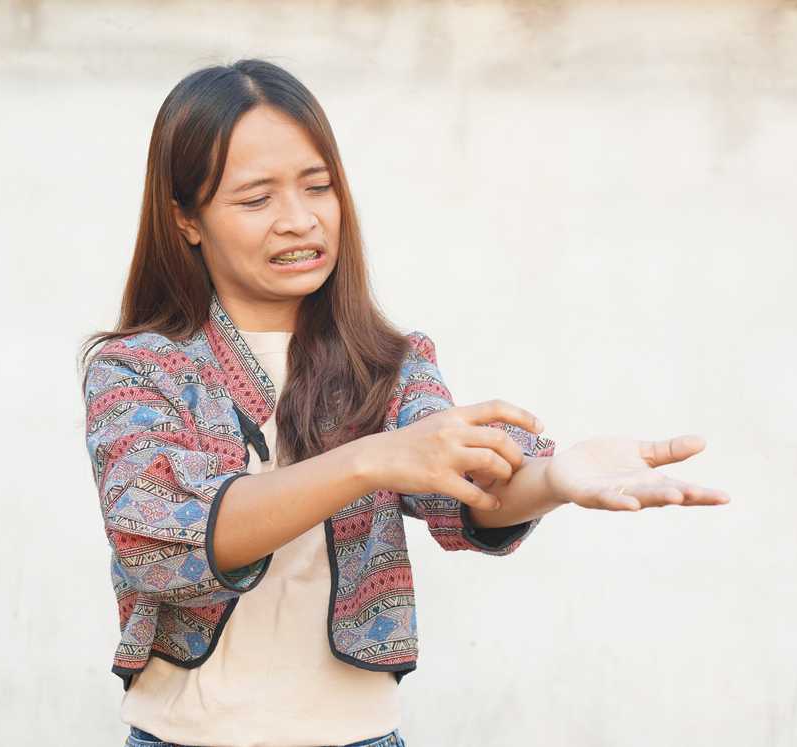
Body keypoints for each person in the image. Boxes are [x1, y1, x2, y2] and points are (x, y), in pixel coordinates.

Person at [79, 59, 730, 747]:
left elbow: (467, 486)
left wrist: (552, 478)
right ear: (186, 218)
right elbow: (162, 535)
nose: (298, 220)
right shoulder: (134, 369)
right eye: (255, 199)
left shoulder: (389, 361)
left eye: (317, 187)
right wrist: (373, 461)